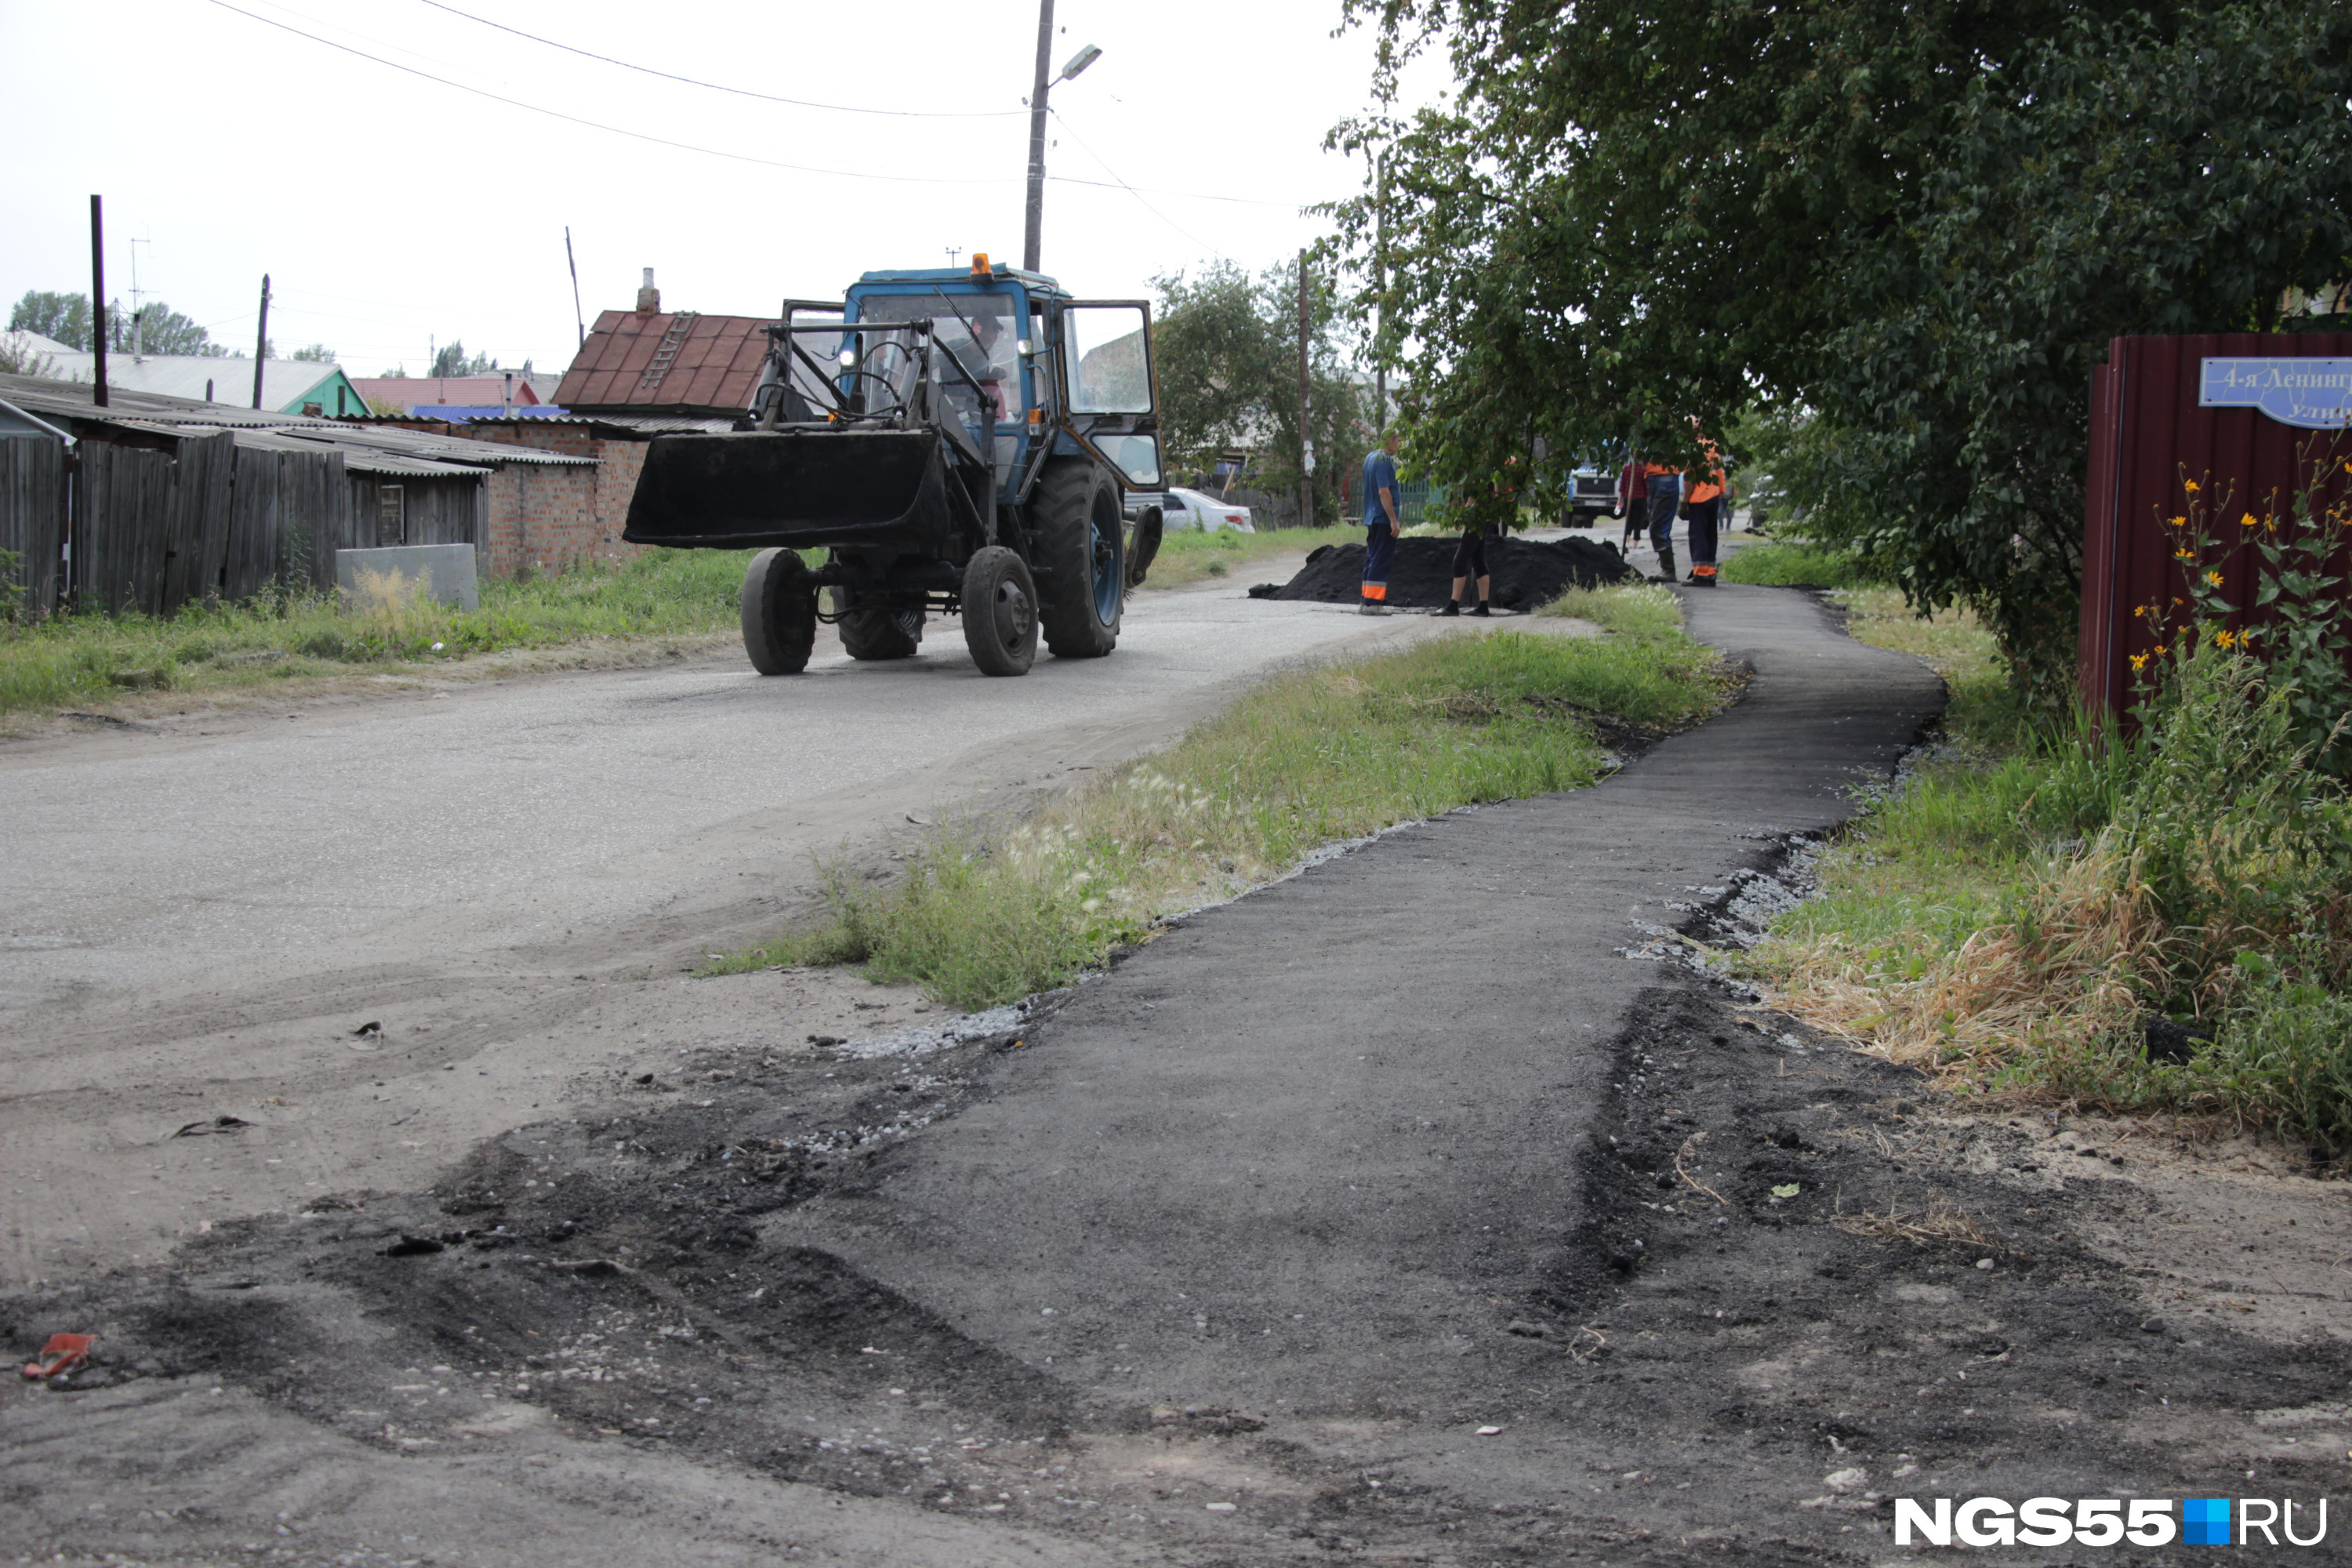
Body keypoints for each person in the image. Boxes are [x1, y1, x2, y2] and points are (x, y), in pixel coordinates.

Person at [1443, 456, 1518, 616]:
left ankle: (1453, 606)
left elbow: (1473, 498)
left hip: (1477, 521)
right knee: (1479, 562)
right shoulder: (1475, 473)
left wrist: (1462, 516)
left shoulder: (1480, 474)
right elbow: (1465, 497)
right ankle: (1483, 607)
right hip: (1481, 519)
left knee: (1459, 561)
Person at [1681, 431, 1730, 586]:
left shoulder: (1693, 450)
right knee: (1710, 534)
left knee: (1698, 535)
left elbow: (1690, 479)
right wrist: (1721, 491)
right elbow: (1720, 473)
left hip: (1700, 497)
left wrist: (1684, 502)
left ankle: (1701, 575)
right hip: (1714, 495)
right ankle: (1710, 573)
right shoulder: (1712, 447)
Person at [1359, 434, 1401, 614]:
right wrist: (1393, 520)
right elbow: (1384, 492)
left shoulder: (1370, 457)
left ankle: (1366, 602)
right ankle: (1374, 604)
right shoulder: (1383, 460)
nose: (1399, 443)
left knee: (1372, 558)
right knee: (1381, 560)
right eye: (1398, 440)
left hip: (1372, 517)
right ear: (1389, 440)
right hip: (1383, 518)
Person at [1644, 459, 1683, 583]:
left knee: (1658, 527)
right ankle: (1667, 569)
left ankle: (1669, 570)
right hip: (1654, 478)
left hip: (1665, 477)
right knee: (1656, 527)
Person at [1615, 454, 1650, 557]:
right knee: (1638, 522)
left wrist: (1619, 500)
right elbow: (1646, 487)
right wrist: (1648, 501)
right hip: (1640, 499)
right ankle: (1634, 546)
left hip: (1628, 498)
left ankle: (1627, 542)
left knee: (1629, 520)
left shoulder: (1626, 468)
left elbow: (1622, 485)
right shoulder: (1643, 470)